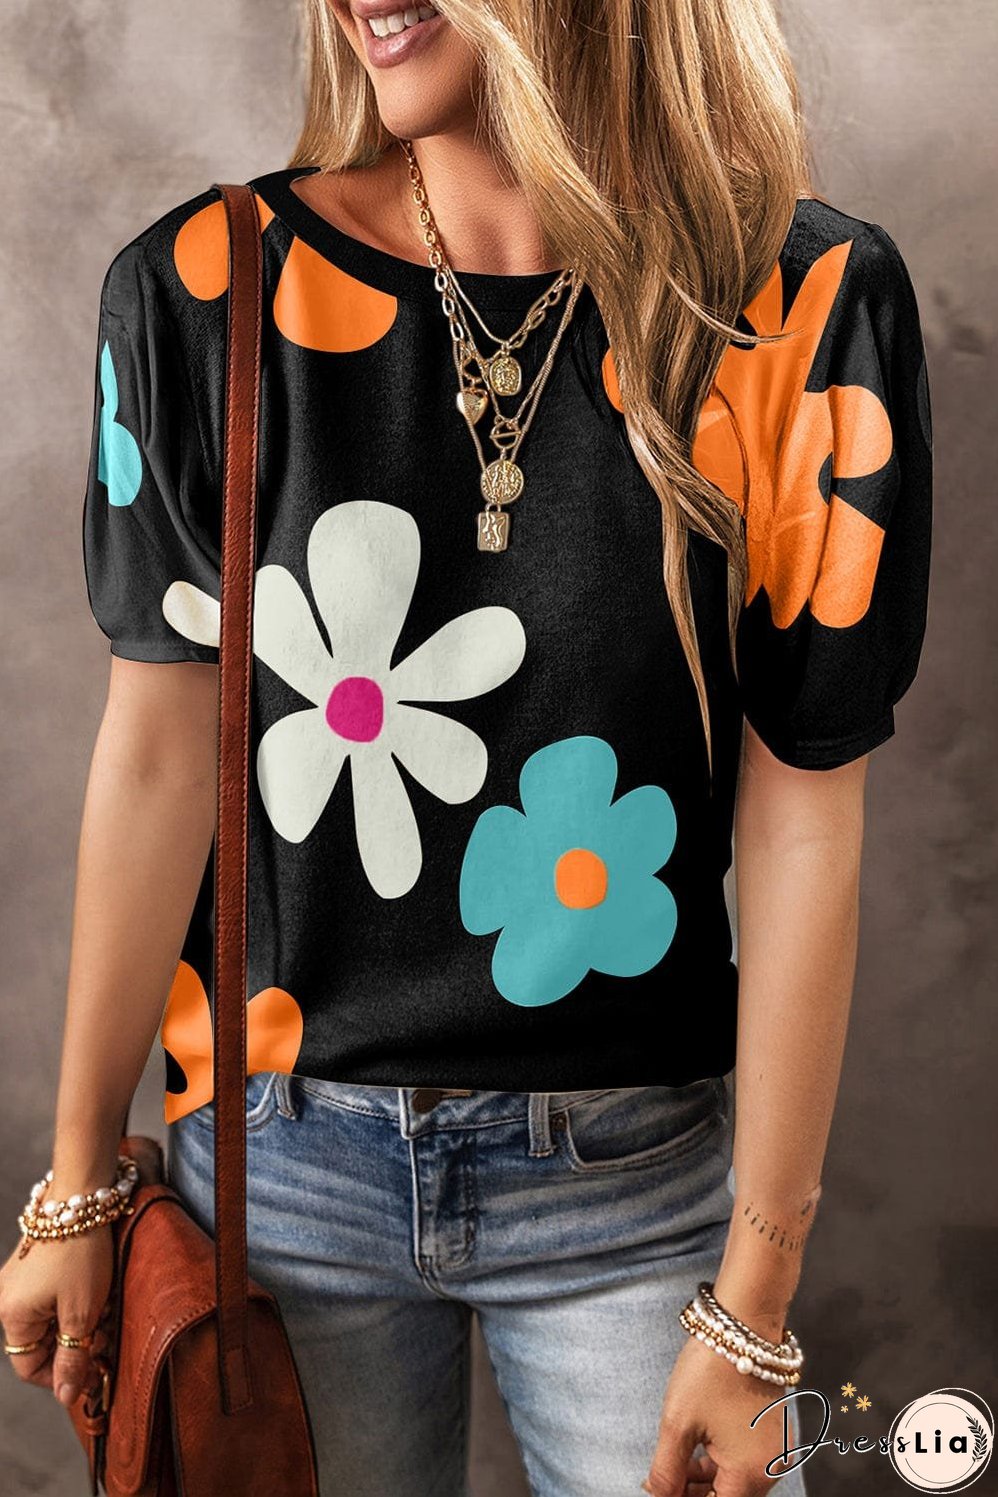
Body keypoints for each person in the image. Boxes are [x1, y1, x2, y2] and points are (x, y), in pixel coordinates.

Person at [0, 0, 933, 1493]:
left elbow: (806, 812)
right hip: (278, 1178)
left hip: (638, 1184)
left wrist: (755, 1302)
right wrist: (76, 1181)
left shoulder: (802, 307)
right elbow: (161, 762)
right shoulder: (202, 289)